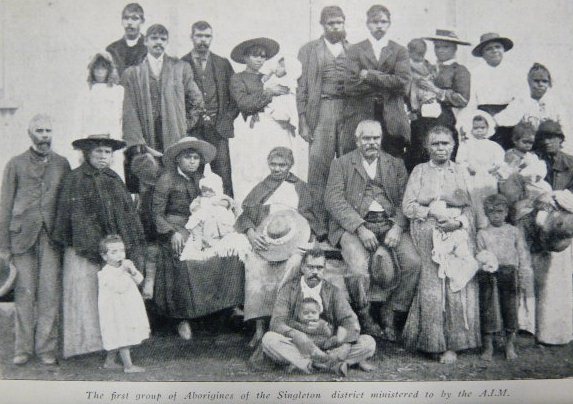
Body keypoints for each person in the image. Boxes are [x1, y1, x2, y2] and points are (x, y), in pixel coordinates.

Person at [121, 23, 205, 301]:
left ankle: (177, 284)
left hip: (172, 143)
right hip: (147, 146)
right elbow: (129, 110)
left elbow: (196, 100)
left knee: (175, 199)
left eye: (163, 38)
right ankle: (149, 283)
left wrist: (184, 128)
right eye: (154, 38)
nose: (158, 42)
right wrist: (139, 145)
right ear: (146, 41)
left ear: (167, 41)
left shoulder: (180, 68)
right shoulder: (133, 73)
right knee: (148, 207)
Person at [324, 120, 421, 339]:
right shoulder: (341, 164)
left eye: (375, 138)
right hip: (354, 226)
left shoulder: (395, 164)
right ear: (357, 140)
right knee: (358, 269)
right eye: (366, 138)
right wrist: (359, 228)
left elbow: (407, 199)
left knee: (413, 263)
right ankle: (365, 314)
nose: (371, 143)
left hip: (389, 223)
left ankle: (392, 309)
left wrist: (397, 227)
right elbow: (333, 199)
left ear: (381, 139)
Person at [53, 134, 145, 359]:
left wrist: (121, 246)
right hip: (83, 249)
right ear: (87, 154)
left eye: (107, 152)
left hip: (112, 253)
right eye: (98, 152)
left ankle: (111, 348)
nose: (103, 157)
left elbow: (126, 215)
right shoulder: (76, 179)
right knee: (85, 296)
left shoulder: (114, 178)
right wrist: (98, 247)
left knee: (112, 301)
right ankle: (84, 346)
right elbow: (76, 218)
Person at [402, 126, 481, 364]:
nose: (440, 148)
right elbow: (409, 206)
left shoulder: (461, 172)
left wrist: (457, 223)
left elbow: (470, 208)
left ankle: (455, 343)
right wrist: (433, 214)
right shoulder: (419, 171)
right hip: (427, 225)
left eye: (445, 143)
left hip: (456, 227)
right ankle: (432, 342)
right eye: (435, 144)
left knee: (456, 280)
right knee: (433, 282)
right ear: (427, 147)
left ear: (453, 146)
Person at [152, 137, 244, 340]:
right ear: (177, 160)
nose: (192, 162)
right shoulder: (166, 180)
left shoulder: (203, 179)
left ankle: (227, 306)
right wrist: (171, 232)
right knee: (182, 254)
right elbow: (156, 213)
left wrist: (223, 207)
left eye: (195, 158)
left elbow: (218, 199)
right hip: (176, 226)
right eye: (187, 158)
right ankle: (182, 317)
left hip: (204, 224)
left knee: (230, 248)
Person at [235, 146, 325, 347]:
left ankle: (283, 324)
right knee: (255, 265)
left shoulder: (300, 187)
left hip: (296, 237)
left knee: (294, 264)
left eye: (282, 165)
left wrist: (312, 240)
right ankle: (259, 327)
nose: (277, 169)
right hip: (268, 238)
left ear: (291, 165)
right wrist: (251, 233)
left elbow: (313, 217)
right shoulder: (262, 187)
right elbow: (246, 216)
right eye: (273, 164)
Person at [0, 114, 70, 365]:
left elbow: (66, 203)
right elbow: (4, 205)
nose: (44, 136)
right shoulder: (15, 164)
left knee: (49, 294)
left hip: (51, 238)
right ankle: (23, 349)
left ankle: (46, 349)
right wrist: (3, 247)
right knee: (24, 293)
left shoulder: (62, 164)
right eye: (39, 131)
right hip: (21, 238)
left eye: (48, 131)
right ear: (30, 134)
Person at [261, 247, 377, 376]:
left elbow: (350, 321)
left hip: (328, 344)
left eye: (319, 268)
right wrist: (296, 335)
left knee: (368, 342)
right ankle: (333, 364)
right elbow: (277, 322)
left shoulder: (333, 291)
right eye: (310, 267)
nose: (315, 272)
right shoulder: (289, 289)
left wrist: (345, 347)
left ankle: (310, 364)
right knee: (269, 340)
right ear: (302, 268)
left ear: (324, 269)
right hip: (299, 345)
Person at [296, 5, 351, 233]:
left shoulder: (353, 50)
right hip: (322, 111)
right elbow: (301, 87)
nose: (336, 27)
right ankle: (318, 226)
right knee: (319, 167)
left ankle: (344, 225)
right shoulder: (309, 50)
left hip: (348, 113)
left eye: (339, 22)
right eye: (331, 23)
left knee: (348, 166)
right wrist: (302, 119)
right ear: (322, 25)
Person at [229, 37, 297, 203]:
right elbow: (244, 104)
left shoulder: (270, 78)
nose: (259, 59)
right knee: (253, 168)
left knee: (277, 165)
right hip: (254, 129)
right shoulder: (238, 79)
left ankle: (277, 207)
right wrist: (269, 93)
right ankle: (250, 209)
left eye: (263, 56)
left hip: (275, 129)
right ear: (245, 57)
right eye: (255, 55)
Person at [343, 4, 411, 159]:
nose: (379, 26)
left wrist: (369, 75)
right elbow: (350, 85)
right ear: (368, 24)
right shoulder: (355, 50)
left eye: (383, 22)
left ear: (389, 24)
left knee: (393, 160)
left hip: (392, 116)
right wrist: (387, 82)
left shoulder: (399, 50)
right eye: (375, 22)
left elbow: (402, 83)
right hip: (363, 112)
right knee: (362, 160)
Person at [181, 21, 239, 197]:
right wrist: (185, 123)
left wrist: (225, 121)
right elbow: (175, 99)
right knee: (192, 175)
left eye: (207, 36)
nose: (203, 40)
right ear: (191, 37)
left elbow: (235, 97)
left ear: (211, 38)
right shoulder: (180, 64)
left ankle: (228, 218)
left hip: (218, 129)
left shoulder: (222, 64)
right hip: (193, 129)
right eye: (199, 36)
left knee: (223, 176)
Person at [476, 194, 533, 361]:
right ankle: (488, 346)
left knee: (510, 309)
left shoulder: (514, 232)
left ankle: (509, 345)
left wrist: (523, 273)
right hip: (489, 275)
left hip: (509, 273)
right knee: (489, 310)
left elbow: (522, 254)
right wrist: (485, 263)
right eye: (491, 212)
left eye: (500, 211)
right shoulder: (483, 233)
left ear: (507, 212)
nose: (496, 215)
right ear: (486, 213)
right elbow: (479, 255)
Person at [404, 29, 471, 171]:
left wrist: (435, 90)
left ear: (454, 48)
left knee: (440, 159)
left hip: (443, 121)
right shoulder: (426, 66)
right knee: (417, 159)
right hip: (420, 122)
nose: (440, 50)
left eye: (445, 47)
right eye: (437, 47)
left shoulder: (459, 70)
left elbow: (462, 99)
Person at [532, 120, 573, 344]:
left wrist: (558, 197)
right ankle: (538, 331)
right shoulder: (534, 161)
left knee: (561, 278)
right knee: (541, 278)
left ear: (561, 138)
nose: (548, 142)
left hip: (564, 226)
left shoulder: (571, 163)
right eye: (544, 138)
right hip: (539, 225)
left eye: (552, 137)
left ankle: (560, 332)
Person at [97, 235, 149, 373]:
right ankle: (128, 366)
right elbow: (118, 287)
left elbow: (140, 279)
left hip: (129, 308)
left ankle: (109, 362)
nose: (119, 255)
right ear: (104, 256)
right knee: (121, 334)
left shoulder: (125, 266)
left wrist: (132, 270)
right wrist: (122, 270)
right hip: (116, 312)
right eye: (114, 252)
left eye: (122, 251)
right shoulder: (105, 273)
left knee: (122, 334)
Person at [71, 52, 124, 178]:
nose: (100, 71)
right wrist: (80, 146)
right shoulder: (85, 92)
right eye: (96, 67)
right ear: (91, 70)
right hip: (90, 141)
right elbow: (79, 120)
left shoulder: (117, 91)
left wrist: (115, 141)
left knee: (112, 173)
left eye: (103, 67)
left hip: (110, 140)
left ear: (109, 70)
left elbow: (120, 118)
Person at [469, 33, 521, 150]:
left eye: (498, 47)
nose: (494, 51)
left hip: (509, 121)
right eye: (489, 49)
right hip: (483, 121)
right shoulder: (475, 73)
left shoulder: (514, 72)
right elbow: (471, 102)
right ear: (482, 54)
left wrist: (499, 119)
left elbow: (520, 101)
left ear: (503, 49)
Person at [456, 111, 505, 227]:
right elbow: (460, 160)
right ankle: (477, 225)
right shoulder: (466, 144)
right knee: (475, 201)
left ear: (488, 128)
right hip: (473, 177)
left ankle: (490, 225)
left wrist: (495, 167)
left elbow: (500, 159)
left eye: (482, 128)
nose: (479, 130)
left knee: (489, 200)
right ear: (471, 129)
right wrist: (467, 168)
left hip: (488, 177)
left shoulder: (493, 145)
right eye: (476, 128)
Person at [179, 172, 241, 261]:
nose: (207, 193)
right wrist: (198, 208)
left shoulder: (221, 196)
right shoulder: (200, 198)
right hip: (204, 218)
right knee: (197, 226)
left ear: (217, 189)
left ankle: (219, 240)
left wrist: (220, 203)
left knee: (221, 229)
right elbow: (193, 205)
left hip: (219, 218)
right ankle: (199, 240)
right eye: (204, 190)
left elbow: (230, 203)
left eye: (210, 190)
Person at [495, 63, 565, 130]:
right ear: (529, 81)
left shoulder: (555, 104)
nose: (540, 84)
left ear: (549, 83)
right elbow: (500, 120)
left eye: (544, 81)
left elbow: (564, 127)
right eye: (536, 81)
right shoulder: (520, 102)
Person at [106, 3, 147, 77]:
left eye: (135, 18)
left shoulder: (148, 48)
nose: (129, 22)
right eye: (126, 18)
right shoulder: (112, 50)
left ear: (142, 21)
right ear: (121, 21)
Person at [406, 38, 438, 120]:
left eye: (422, 53)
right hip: (413, 90)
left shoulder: (427, 64)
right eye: (418, 53)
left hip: (425, 92)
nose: (420, 56)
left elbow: (433, 74)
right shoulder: (407, 64)